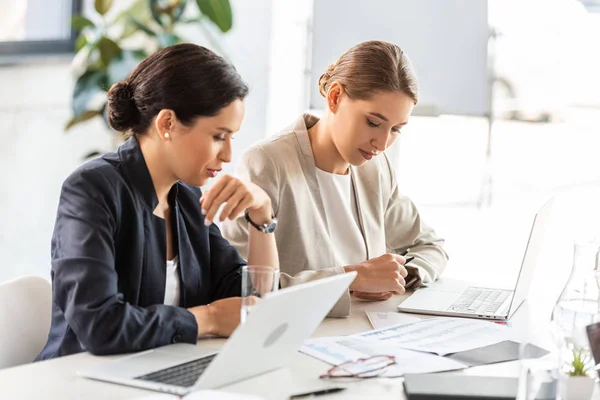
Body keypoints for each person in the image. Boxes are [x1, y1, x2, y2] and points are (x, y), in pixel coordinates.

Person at [36, 44, 279, 360]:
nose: (229, 155)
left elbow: (252, 302)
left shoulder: (188, 198)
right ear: (167, 123)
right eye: (219, 136)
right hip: (82, 382)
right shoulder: (91, 190)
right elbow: (100, 325)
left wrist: (261, 214)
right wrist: (209, 319)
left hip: (157, 373)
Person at [222, 40, 447, 317]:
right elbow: (241, 286)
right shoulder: (267, 163)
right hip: (297, 337)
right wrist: (351, 278)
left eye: (396, 129)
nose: (382, 142)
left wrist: (403, 273)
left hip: (368, 335)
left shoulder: (375, 168)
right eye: (373, 123)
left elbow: (430, 245)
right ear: (335, 97)